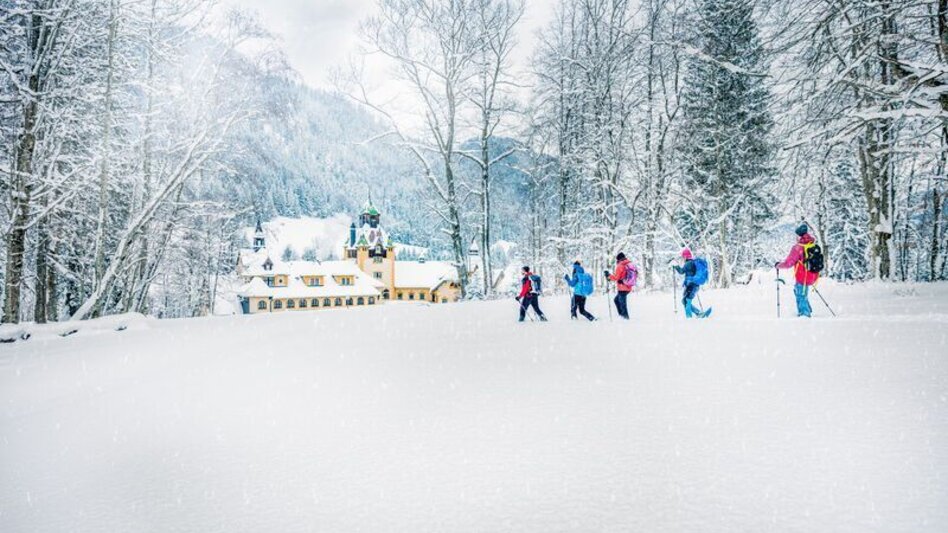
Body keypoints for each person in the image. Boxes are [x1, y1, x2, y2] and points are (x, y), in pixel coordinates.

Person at [775, 223, 820, 317]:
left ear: (799, 235)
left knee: (800, 294)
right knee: (801, 292)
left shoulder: (798, 247)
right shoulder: (812, 244)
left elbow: (788, 263)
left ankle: (805, 314)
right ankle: (807, 309)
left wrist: (778, 265)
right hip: (812, 274)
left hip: (802, 276)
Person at [673, 248, 711, 318]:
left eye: (683, 257)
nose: (682, 259)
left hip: (691, 285)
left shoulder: (688, 263)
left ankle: (689, 318)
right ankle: (698, 313)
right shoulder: (692, 262)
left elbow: (681, 271)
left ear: (685, 257)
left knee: (687, 301)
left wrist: (675, 266)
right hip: (694, 285)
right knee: (684, 301)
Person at [604, 252, 634, 319]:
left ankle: (625, 318)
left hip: (622, 287)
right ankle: (622, 316)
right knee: (617, 300)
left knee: (622, 304)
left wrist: (608, 275)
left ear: (618, 259)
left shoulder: (620, 265)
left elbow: (616, 277)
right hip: (628, 286)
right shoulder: (629, 264)